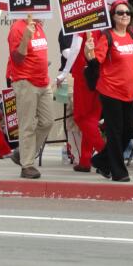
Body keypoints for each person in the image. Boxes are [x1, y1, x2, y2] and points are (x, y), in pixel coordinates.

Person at [87, 0, 133, 182]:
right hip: (110, 91)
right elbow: (96, 62)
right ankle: (119, 172)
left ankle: (100, 160)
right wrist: (89, 53)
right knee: (115, 131)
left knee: (128, 130)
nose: (124, 15)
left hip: (129, 93)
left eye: (127, 12)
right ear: (113, 16)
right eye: (120, 13)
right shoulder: (107, 36)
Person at [7, 15, 52, 179]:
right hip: (25, 82)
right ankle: (27, 165)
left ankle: (23, 152)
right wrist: (26, 38)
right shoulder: (17, 28)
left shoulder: (39, 27)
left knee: (47, 122)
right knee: (27, 125)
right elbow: (17, 59)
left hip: (43, 82)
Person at [58, 27, 104, 173]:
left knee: (80, 117)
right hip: (99, 76)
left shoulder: (83, 27)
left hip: (83, 76)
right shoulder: (103, 28)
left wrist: (64, 72)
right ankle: (85, 160)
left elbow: (74, 50)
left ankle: (106, 154)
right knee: (91, 118)